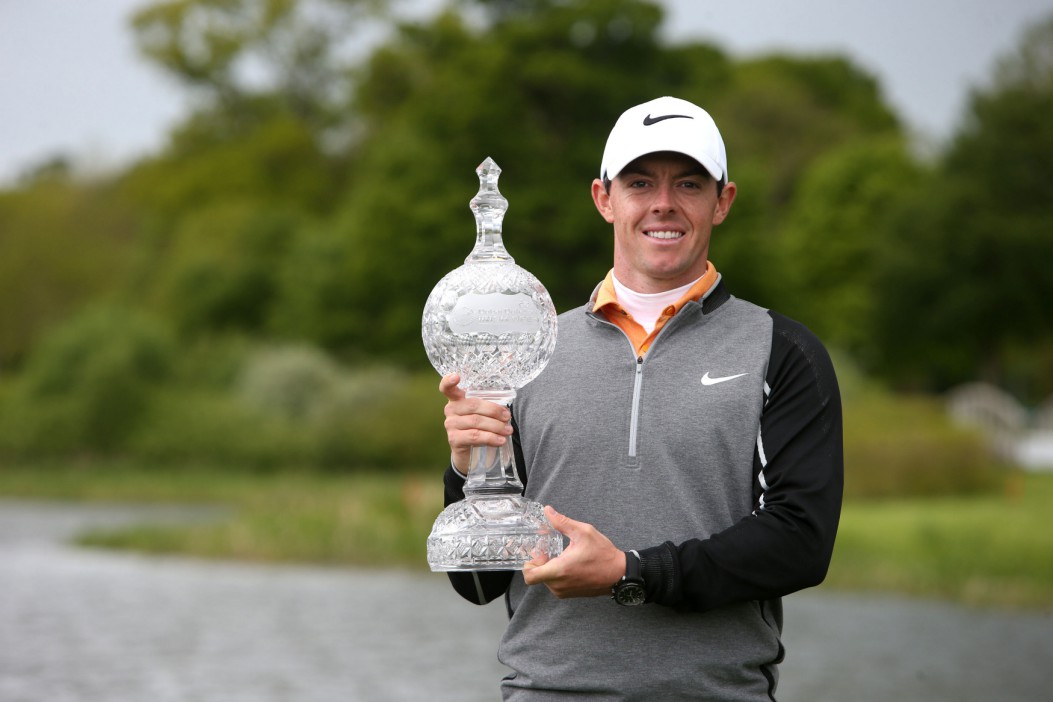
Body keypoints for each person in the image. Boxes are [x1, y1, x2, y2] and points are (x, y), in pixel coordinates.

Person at [438, 96, 843, 701]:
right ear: (604, 198)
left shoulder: (783, 351)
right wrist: (467, 468)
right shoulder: (525, 352)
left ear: (722, 201)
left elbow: (801, 543)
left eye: (688, 183)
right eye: (639, 182)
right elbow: (477, 585)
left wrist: (633, 573)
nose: (663, 203)